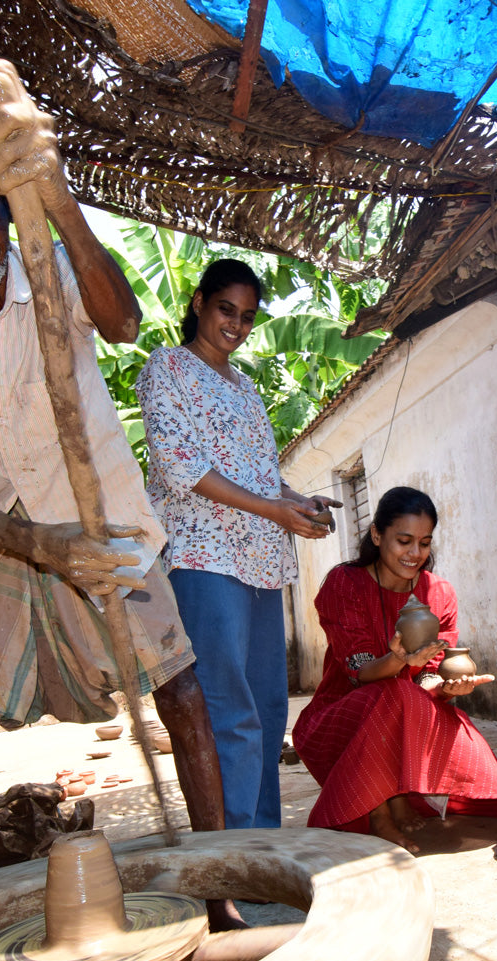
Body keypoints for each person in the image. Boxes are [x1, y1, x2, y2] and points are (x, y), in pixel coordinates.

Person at [0, 63, 237, 925]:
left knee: (181, 691)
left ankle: (219, 893)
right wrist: (46, 549)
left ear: (3, 206)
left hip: (98, 507)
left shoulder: (49, 265)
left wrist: (59, 200)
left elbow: (122, 324)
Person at [136, 258, 335, 830]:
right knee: (228, 711)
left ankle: (263, 846)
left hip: (261, 562)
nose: (237, 325)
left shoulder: (245, 387)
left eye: (247, 317)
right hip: (203, 557)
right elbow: (180, 467)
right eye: (227, 309)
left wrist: (295, 501)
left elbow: (259, 473)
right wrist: (274, 508)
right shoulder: (166, 367)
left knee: (269, 714)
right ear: (199, 302)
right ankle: (234, 855)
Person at [292, 487, 497, 853]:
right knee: (391, 691)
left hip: (410, 711)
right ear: (377, 535)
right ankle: (379, 813)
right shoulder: (345, 583)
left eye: (425, 543)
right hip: (339, 720)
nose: (415, 554)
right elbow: (358, 672)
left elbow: (428, 674)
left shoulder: (438, 592)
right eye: (404, 541)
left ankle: (399, 794)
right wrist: (397, 661)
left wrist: (447, 688)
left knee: (485, 784)